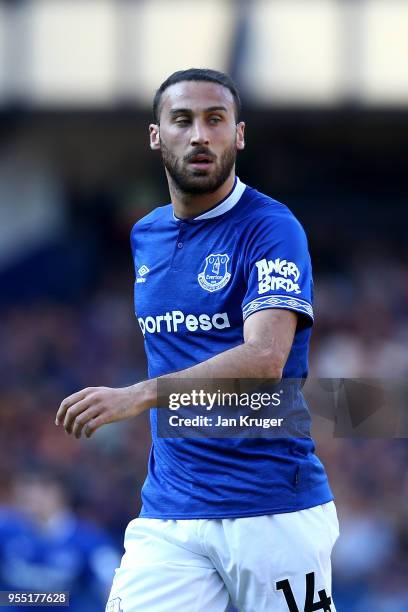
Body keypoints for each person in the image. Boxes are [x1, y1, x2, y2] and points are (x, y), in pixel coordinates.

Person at [56, 68, 339, 612]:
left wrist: (138, 394)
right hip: (171, 510)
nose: (199, 135)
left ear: (239, 135)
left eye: (216, 120)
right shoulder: (147, 234)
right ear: (157, 135)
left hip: (271, 509)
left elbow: (264, 359)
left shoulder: (271, 228)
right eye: (182, 120)